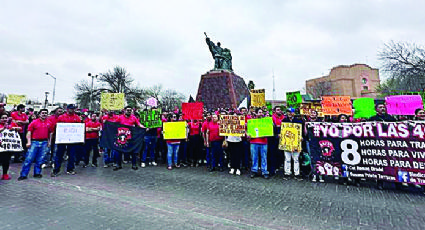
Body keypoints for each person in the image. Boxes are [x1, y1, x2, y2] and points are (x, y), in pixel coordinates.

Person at [18, 109, 54, 180]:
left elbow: (50, 133)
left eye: (45, 113)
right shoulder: (34, 122)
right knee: (29, 159)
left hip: (44, 142)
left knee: (40, 159)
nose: (44, 114)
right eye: (42, 113)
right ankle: (23, 174)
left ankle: (37, 173)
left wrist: (49, 142)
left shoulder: (49, 123)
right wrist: (29, 142)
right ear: (39, 114)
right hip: (34, 142)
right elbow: (29, 132)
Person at [369, 103, 396, 190]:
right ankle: (380, 182)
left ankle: (395, 181)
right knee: (380, 163)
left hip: (390, 144)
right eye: (380, 107)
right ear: (376, 109)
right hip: (378, 144)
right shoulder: (372, 119)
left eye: (384, 107)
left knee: (392, 162)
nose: (382, 108)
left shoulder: (390, 118)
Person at [51, 104, 82, 177]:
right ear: (67, 109)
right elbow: (57, 127)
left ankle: (70, 169)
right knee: (59, 155)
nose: (72, 110)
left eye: (73, 109)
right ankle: (56, 170)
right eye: (71, 109)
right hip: (62, 139)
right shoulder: (61, 117)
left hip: (72, 140)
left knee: (71, 155)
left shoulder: (77, 118)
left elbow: (79, 128)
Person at [113, 106, 145, 171]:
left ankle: (134, 164)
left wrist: (144, 128)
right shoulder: (120, 117)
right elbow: (114, 124)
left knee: (133, 151)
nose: (129, 111)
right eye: (127, 110)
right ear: (124, 110)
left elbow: (139, 124)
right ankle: (118, 165)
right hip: (122, 137)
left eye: (130, 110)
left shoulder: (133, 118)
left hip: (131, 137)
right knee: (119, 151)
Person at [282, 108, 304, 181]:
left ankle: (297, 173)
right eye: (288, 112)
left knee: (296, 159)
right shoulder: (284, 121)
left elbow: (302, 131)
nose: (289, 113)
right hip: (287, 142)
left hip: (296, 143)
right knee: (287, 159)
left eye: (290, 112)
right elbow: (282, 131)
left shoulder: (299, 121)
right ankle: (287, 173)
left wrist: (302, 137)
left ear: (294, 113)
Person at [248, 109, 270, 179]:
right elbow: (248, 131)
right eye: (259, 112)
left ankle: (264, 171)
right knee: (254, 157)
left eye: (262, 112)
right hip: (254, 142)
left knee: (264, 157)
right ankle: (254, 170)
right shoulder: (252, 122)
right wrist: (248, 134)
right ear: (256, 113)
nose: (261, 114)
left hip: (264, 142)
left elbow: (270, 129)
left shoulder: (266, 121)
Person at [0, 112, 21, 180]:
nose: (4, 119)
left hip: (6, 147)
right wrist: (3, 128)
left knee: (6, 161)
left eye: (6, 118)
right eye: (3, 118)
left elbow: (20, 128)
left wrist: (14, 128)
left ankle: (5, 174)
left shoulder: (11, 124)